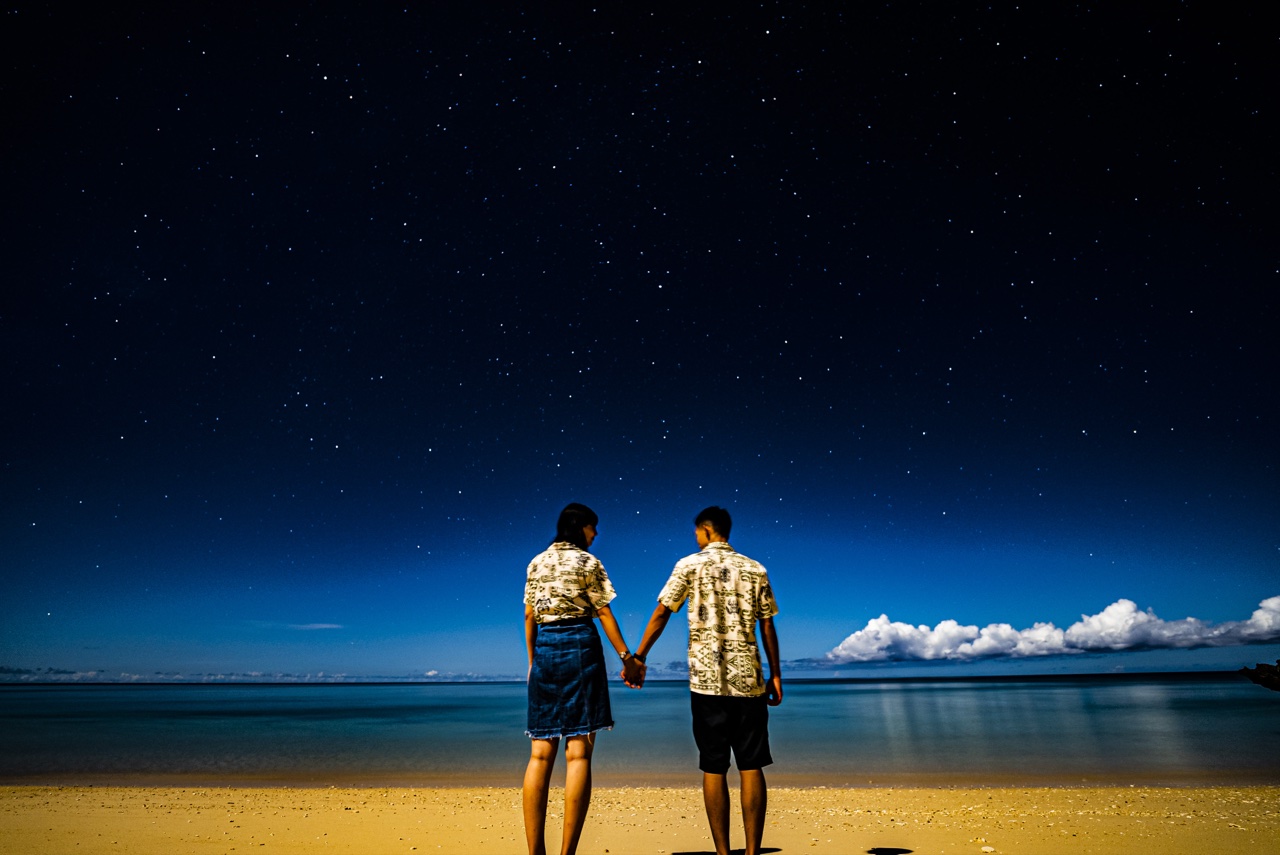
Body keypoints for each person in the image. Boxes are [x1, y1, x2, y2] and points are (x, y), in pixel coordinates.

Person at [632, 506, 782, 855]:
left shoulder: (688, 565)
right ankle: (752, 852)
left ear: (706, 530)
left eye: (697, 533)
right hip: (749, 679)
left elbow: (662, 611)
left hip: (706, 680)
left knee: (714, 765)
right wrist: (775, 674)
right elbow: (767, 625)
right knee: (751, 763)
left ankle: (722, 852)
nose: (695, 538)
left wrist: (639, 657)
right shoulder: (754, 568)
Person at [522, 502, 643, 855]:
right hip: (579, 645)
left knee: (540, 754)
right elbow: (603, 611)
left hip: (545, 648)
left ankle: (535, 853)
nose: (596, 535)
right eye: (594, 528)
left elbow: (530, 615)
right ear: (582, 528)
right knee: (578, 755)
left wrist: (533, 661)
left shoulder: (536, 562)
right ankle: (566, 854)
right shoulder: (589, 563)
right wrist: (628, 658)